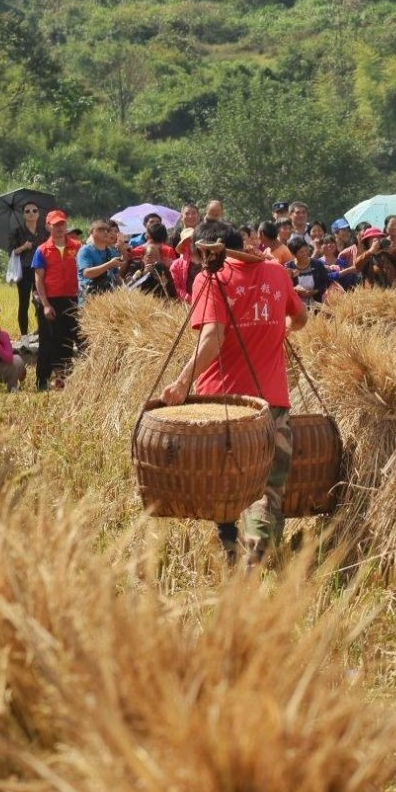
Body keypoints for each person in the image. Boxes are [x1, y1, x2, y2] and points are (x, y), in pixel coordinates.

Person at [160, 220, 307, 568]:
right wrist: (278, 329)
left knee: (223, 486)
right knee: (268, 486)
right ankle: (259, 556)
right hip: (272, 404)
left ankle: (239, 557)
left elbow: (212, 338)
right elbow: (300, 319)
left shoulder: (210, 278)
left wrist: (181, 383)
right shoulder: (275, 273)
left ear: (208, 251)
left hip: (222, 405)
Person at [32, 210, 83, 390]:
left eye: (62, 224)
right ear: (48, 226)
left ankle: (65, 380)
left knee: (68, 339)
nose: (60, 228)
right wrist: (45, 304)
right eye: (56, 225)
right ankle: (42, 380)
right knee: (47, 341)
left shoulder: (77, 246)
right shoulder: (42, 250)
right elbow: (39, 278)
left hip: (72, 299)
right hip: (51, 300)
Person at [8, 201, 46, 336]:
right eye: (27, 211)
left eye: (34, 211)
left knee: (41, 301)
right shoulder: (17, 232)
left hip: (40, 271)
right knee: (23, 304)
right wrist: (23, 247)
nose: (31, 213)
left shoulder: (44, 231)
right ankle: (24, 337)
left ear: (38, 214)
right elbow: (11, 252)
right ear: (23, 215)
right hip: (24, 270)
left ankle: (42, 332)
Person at [77, 218, 126, 298]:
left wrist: (124, 289)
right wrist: (110, 264)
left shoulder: (110, 251)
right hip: (90, 298)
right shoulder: (86, 250)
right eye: (100, 230)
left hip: (107, 298)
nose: (105, 232)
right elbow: (87, 273)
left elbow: (115, 275)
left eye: (106, 230)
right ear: (92, 233)